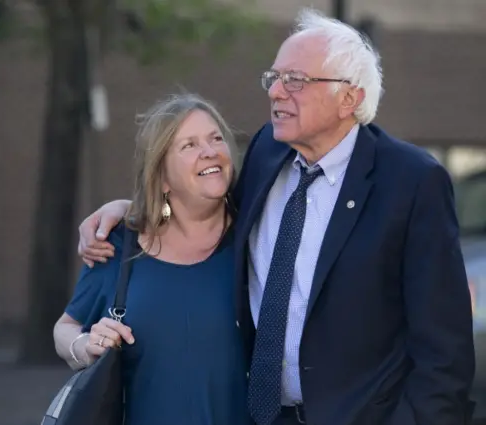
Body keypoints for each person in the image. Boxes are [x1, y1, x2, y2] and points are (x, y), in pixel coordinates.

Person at [75, 8, 476, 425]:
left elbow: (445, 350)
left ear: (350, 98)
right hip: (261, 416)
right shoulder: (269, 150)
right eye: (275, 78)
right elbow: (207, 206)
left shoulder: (412, 182)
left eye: (296, 81)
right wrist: (130, 209)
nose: (277, 92)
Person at [53, 93, 251, 425]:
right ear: (161, 177)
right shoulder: (119, 245)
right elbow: (65, 327)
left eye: (216, 138)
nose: (209, 151)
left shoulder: (257, 239)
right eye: (188, 145)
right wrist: (86, 346)